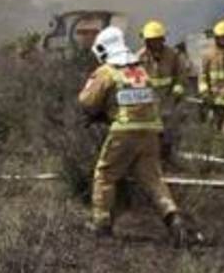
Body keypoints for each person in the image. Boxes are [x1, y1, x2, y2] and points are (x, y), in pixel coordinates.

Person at [79, 25, 199, 247]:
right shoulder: (141, 70)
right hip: (151, 131)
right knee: (153, 179)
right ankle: (174, 219)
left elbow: (87, 101)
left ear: (104, 50)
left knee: (105, 175)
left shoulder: (107, 72)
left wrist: (98, 103)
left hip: (124, 132)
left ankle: (101, 226)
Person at [137, 19, 192, 160]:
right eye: (151, 40)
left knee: (169, 129)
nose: (154, 43)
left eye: (157, 40)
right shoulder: (139, 57)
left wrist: (178, 88)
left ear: (163, 39)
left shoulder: (172, 55)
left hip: (168, 98)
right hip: (147, 100)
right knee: (149, 131)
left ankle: (167, 156)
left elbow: (181, 74)